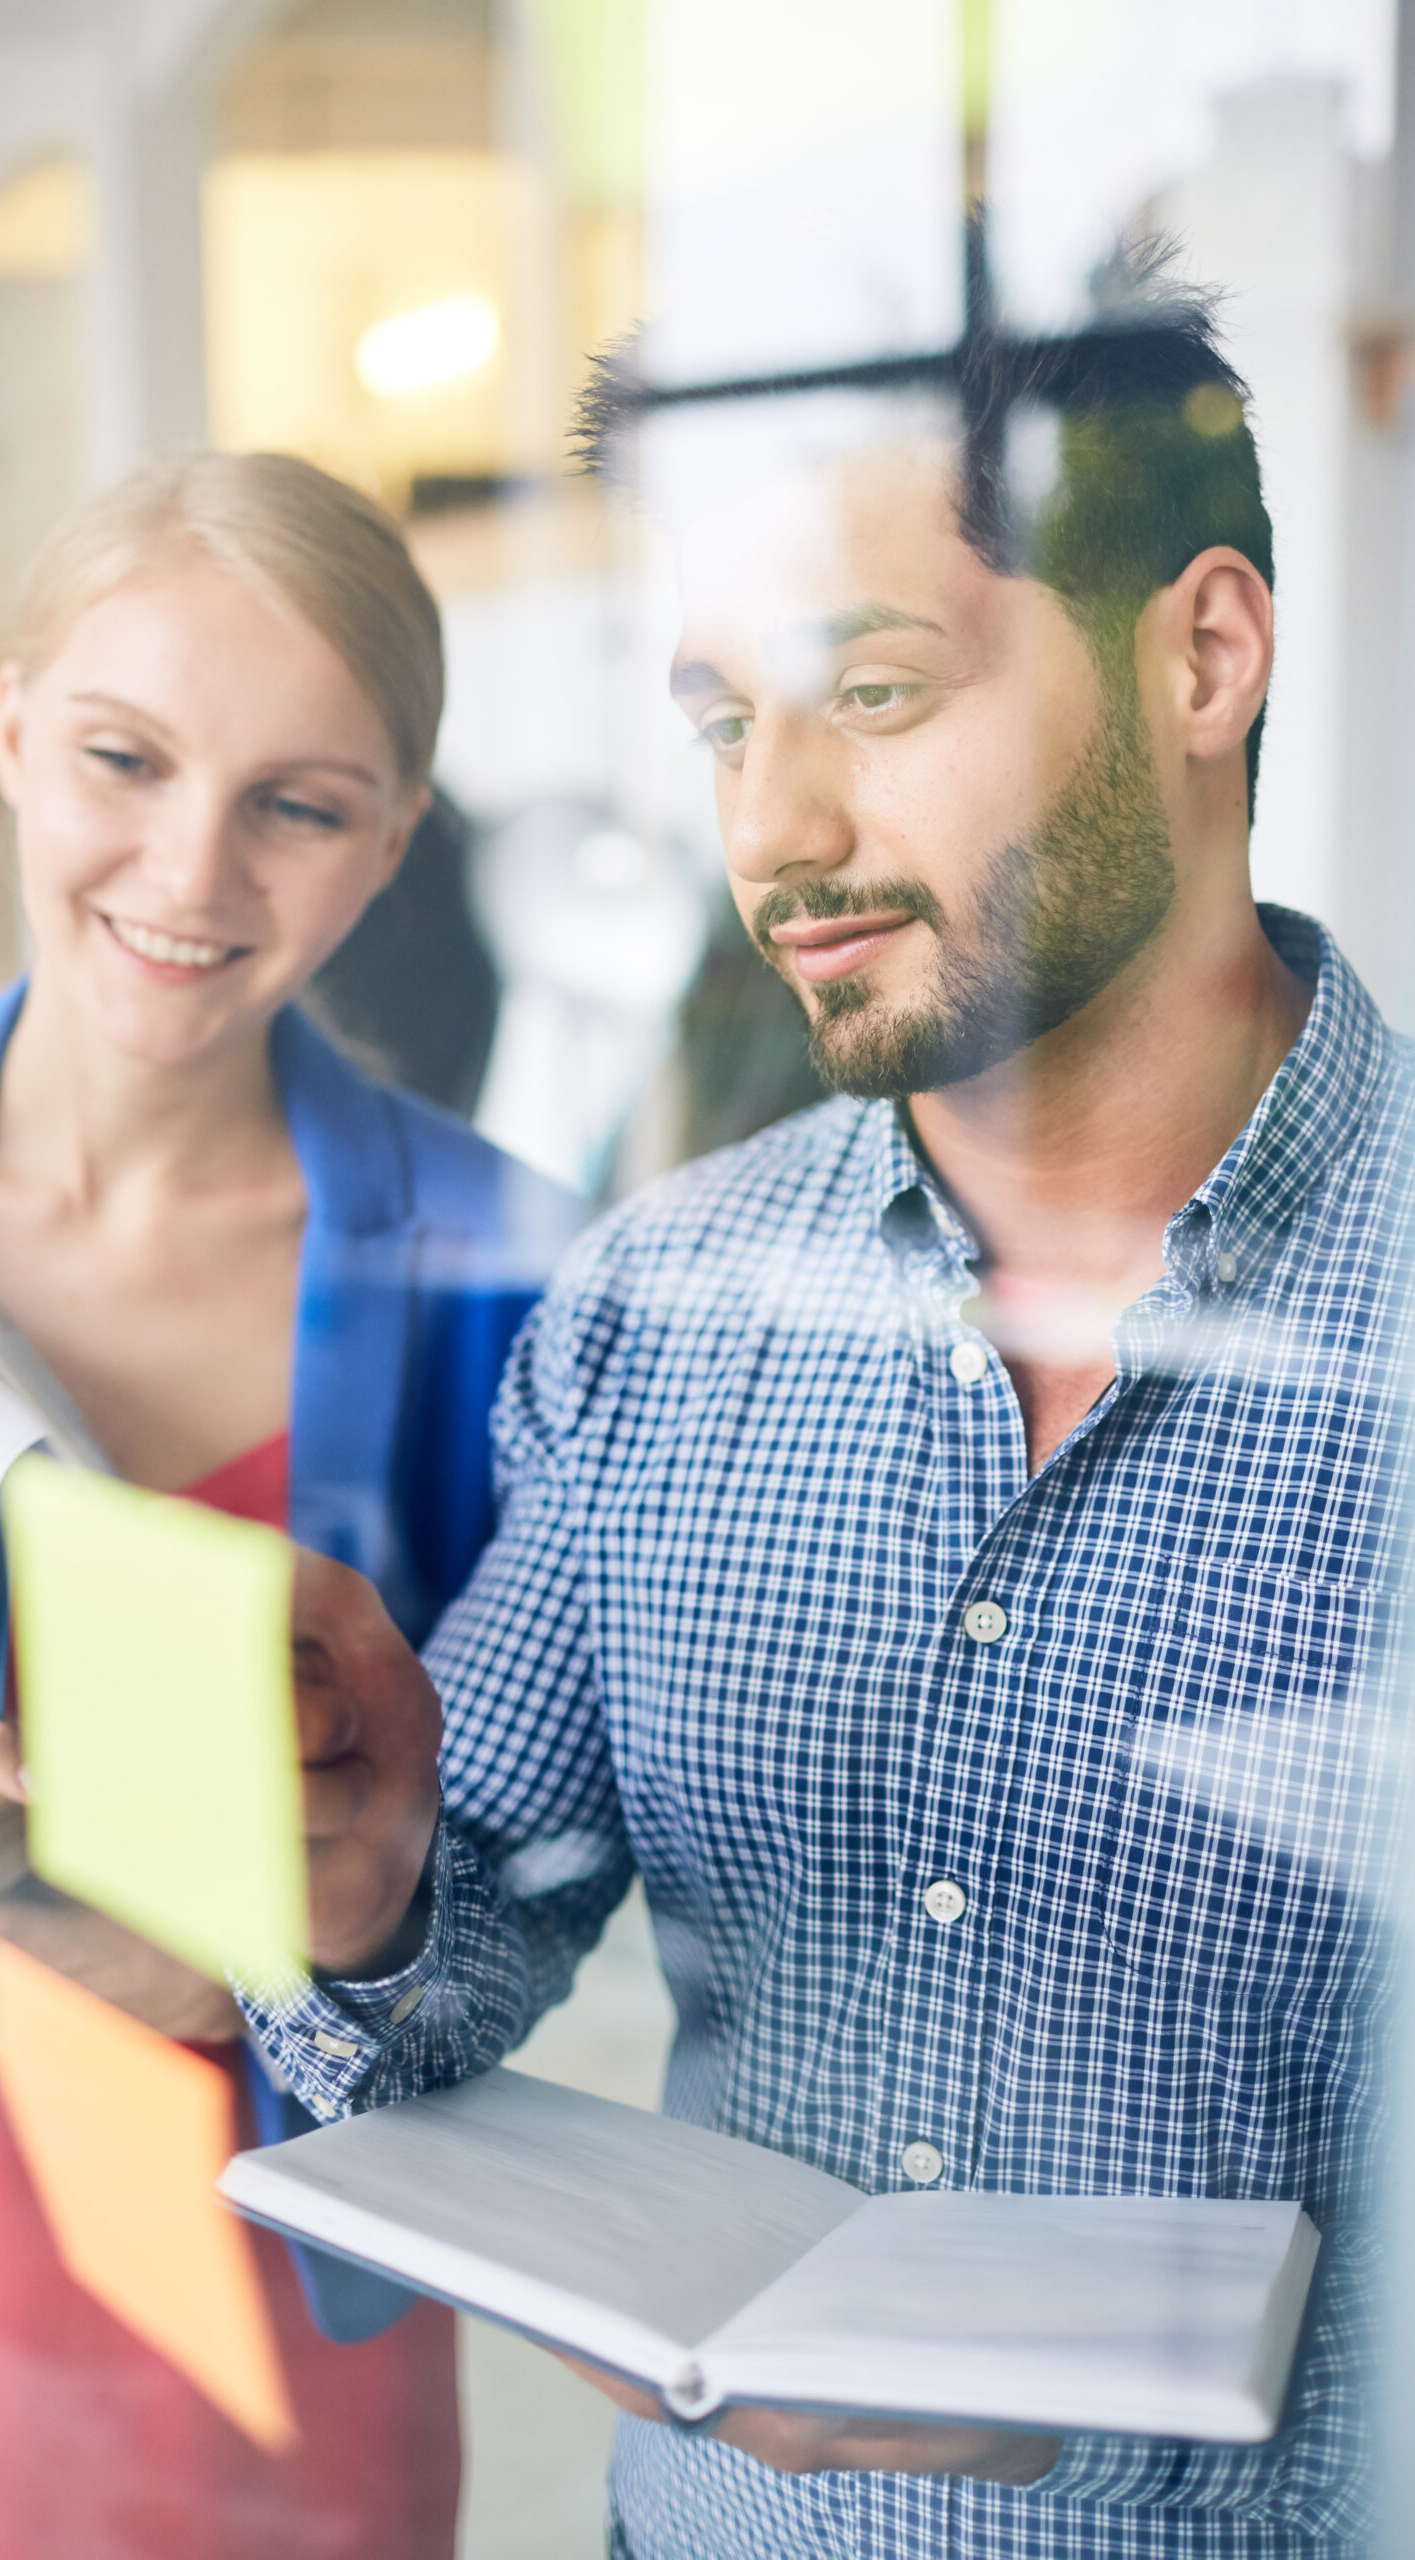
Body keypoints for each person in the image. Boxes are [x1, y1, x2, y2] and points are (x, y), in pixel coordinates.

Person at [236, 271, 1408, 2558]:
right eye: (717, 719)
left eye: (871, 692)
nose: (770, 825)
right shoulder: (658, 1310)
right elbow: (452, 1953)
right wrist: (359, 1872)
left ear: (1202, 655)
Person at [0, 451, 575, 2560]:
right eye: (123, 754)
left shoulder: (518, 1280)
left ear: (385, 848)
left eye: (300, 800)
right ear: (11, 727)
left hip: (285, 2277)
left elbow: (536, 1885)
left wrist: (262, 1956)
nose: (192, 865)